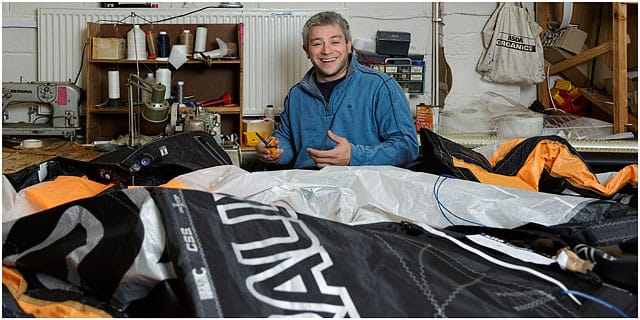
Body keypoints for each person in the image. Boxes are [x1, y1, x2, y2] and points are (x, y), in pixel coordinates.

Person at [256, 11, 419, 169]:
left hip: (362, 188)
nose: (327, 50)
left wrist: (354, 156)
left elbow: (407, 147)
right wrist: (274, 151)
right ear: (306, 51)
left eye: (335, 42)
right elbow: (287, 139)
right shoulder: (296, 95)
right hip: (308, 184)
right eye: (317, 43)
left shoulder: (381, 86)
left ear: (349, 46)